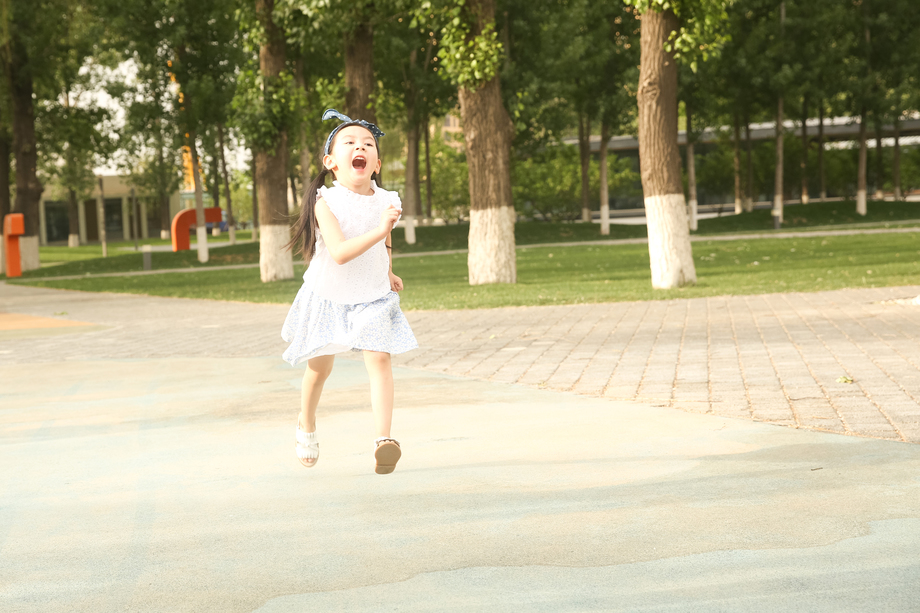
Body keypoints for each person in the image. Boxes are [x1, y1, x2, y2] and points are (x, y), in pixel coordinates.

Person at [281, 109, 418, 474]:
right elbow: (340, 253)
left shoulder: (387, 198)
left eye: (368, 144)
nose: (361, 146)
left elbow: (385, 241)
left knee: (380, 358)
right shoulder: (324, 201)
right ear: (331, 162)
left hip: (371, 294)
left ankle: (383, 439)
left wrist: (389, 271)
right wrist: (380, 229)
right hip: (328, 296)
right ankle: (306, 422)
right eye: (350, 142)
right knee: (319, 370)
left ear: (375, 163)